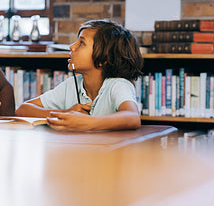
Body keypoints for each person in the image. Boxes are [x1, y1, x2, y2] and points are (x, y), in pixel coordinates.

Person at [15, 19, 143, 131]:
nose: (72, 47)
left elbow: (132, 117)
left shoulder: (118, 85)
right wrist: (66, 113)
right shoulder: (71, 85)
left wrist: (86, 122)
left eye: (82, 43)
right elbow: (22, 110)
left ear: (105, 58)